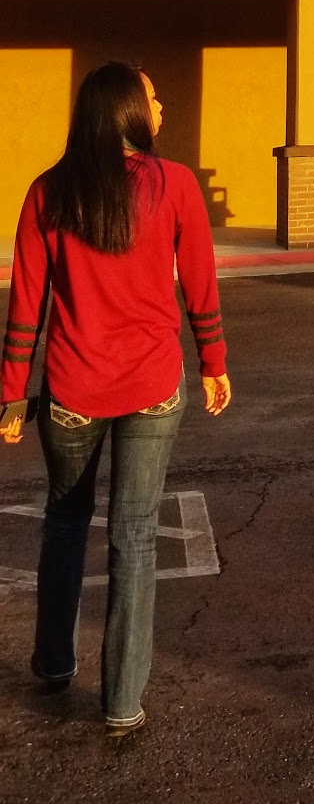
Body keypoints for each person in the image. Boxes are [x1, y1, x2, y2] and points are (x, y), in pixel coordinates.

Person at [0, 61, 231, 738]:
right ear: (129, 109)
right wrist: (213, 360)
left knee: (65, 522)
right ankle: (122, 702)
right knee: (134, 537)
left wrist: (12, 394)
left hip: (71, 389)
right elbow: (201, 282)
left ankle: (54, 661)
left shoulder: (49, 191)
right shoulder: (174, 184)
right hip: (153, 386)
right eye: (153, 98)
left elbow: (27, 303)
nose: (161, 109)